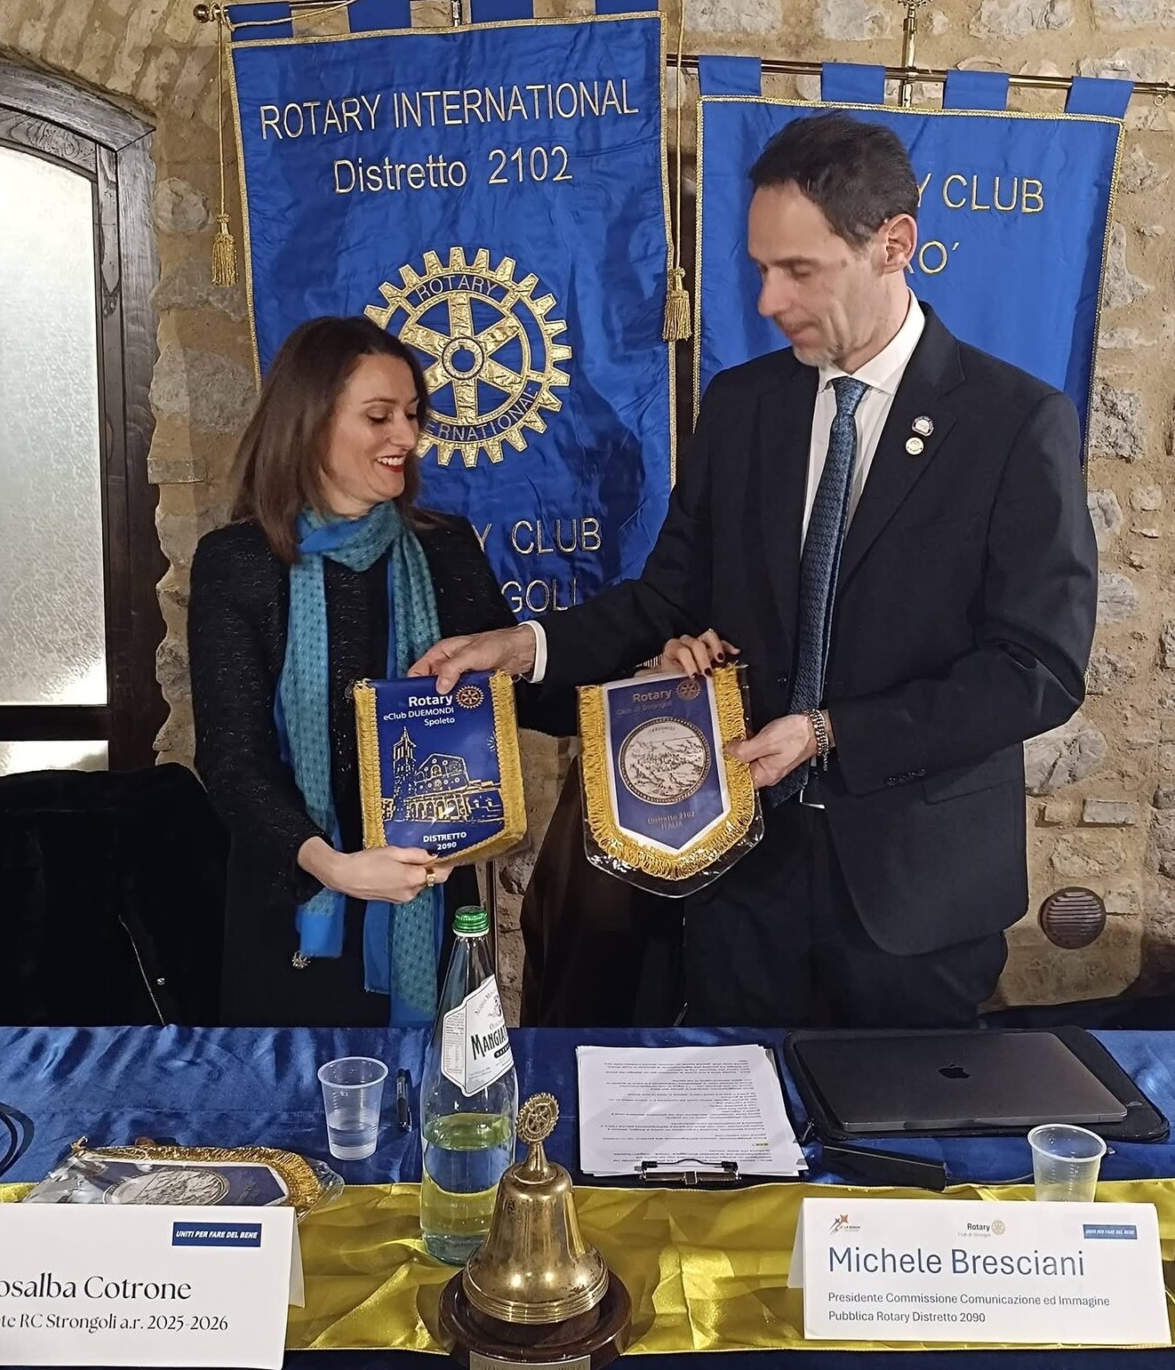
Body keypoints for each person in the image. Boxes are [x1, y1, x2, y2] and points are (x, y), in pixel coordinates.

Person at [410, 111, 1099, 1030]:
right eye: (762, 269)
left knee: (890, 1123)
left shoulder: (1016, 423)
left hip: (913, 895)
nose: (769, 300)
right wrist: (524, 647)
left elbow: (1036, 669)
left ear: (895, 245)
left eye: (799, 271)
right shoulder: (742, 407)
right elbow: (666, 599)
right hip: (738, 880)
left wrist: (829, 732)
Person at [189, 315, 570, 1027]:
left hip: (434, 894)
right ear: (310, 422)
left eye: (413, 414)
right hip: (299, 906)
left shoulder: (446, 547)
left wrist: (652, 670)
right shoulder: (238, 562)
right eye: (379, 416)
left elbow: (528, 699)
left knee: (443, 1088)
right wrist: (335, 866)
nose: (407, 436)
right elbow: (232, 761)